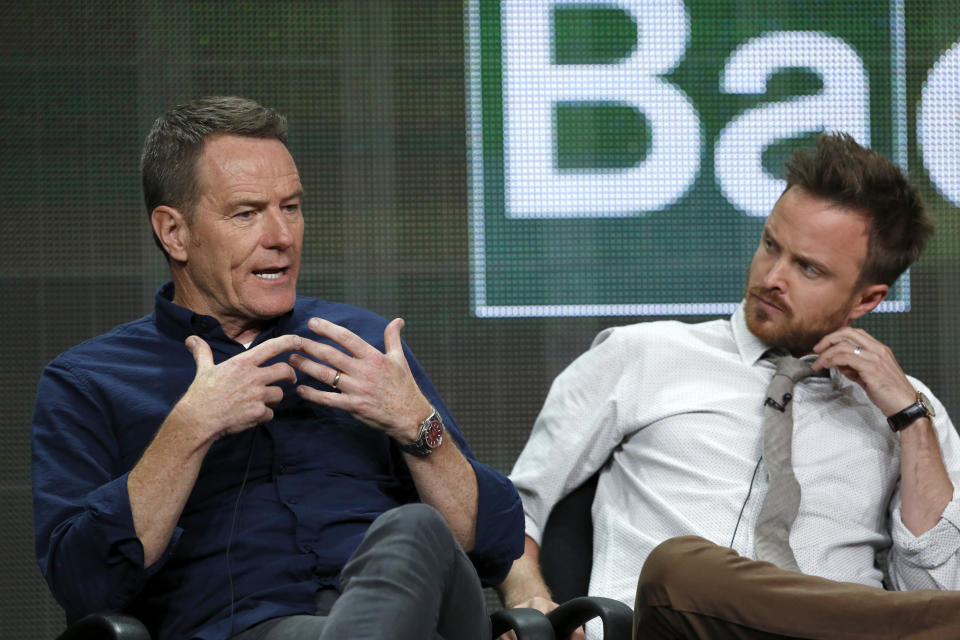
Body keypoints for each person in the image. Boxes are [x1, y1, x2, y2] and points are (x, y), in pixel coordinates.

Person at [32, 96, 524, 640]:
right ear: (174, 232)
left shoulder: (360, 344)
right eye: (247, 214)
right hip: (246, 630)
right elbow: (85, 586)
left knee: (414, 531)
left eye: (290, 207)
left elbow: (492, 551)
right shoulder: (90, 381)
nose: (282, 236)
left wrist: (418, 427)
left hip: (424, 612)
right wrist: (188, 432)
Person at [499, 132, 960, 639]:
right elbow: (517, 513)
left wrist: (911, 422)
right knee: (679, 568)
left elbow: (936, 592)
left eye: (807, 268)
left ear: (867, 299)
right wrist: (533, 603)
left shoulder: (910, 410)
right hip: (671, 625)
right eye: (770, 245)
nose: (772, 276)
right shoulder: (642, 353)